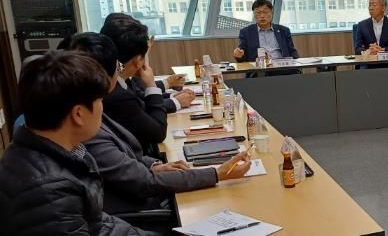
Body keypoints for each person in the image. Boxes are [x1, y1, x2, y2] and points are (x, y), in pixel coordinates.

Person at [70, 33, 251, 216]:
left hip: (144, 195)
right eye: (118, 67)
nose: (121, 71)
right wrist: (217, 173)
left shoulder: (92, 104)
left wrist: (153, 165)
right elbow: (143, 181)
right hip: (142, 210)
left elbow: (124, 159)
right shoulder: (91, 120)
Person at [0, 51, 145, 235]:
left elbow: (96, 221)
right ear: (78, 114)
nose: (102, 108)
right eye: (100, 100)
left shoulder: (58, 150)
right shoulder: (48, 191)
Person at [100, 14, 167, 155]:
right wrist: (151, 85)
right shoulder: (118, 95)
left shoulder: (115, 80)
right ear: (137, 60)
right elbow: (158, 132)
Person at [233, 0, 299, 63]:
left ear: (272, 12)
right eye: (258, 13)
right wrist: (239, 55)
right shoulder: (246, 32)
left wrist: (297, 65)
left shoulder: (284, 31)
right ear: (254, 14)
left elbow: (292, 52)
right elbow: (242, 56)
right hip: (259, 68)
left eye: (265, 12)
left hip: (282, 67)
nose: (262, 16)